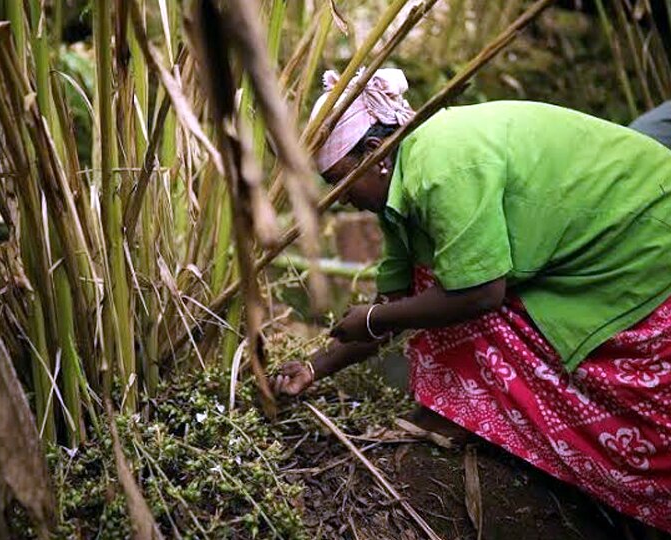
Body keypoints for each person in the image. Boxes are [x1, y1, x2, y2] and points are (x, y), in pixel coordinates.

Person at [272, 68, 671, 533]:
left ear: (374, 154)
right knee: (435, 285)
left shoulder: (442, 164)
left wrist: (377, 316)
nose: (341, 199)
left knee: (462, 297)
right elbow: (393, 302)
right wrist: (315, 367)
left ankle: (487, 420)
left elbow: (479, 294)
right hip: (601, 246)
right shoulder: (404, 191)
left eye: (341, 180)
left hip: (643, 238)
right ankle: (482, 417)